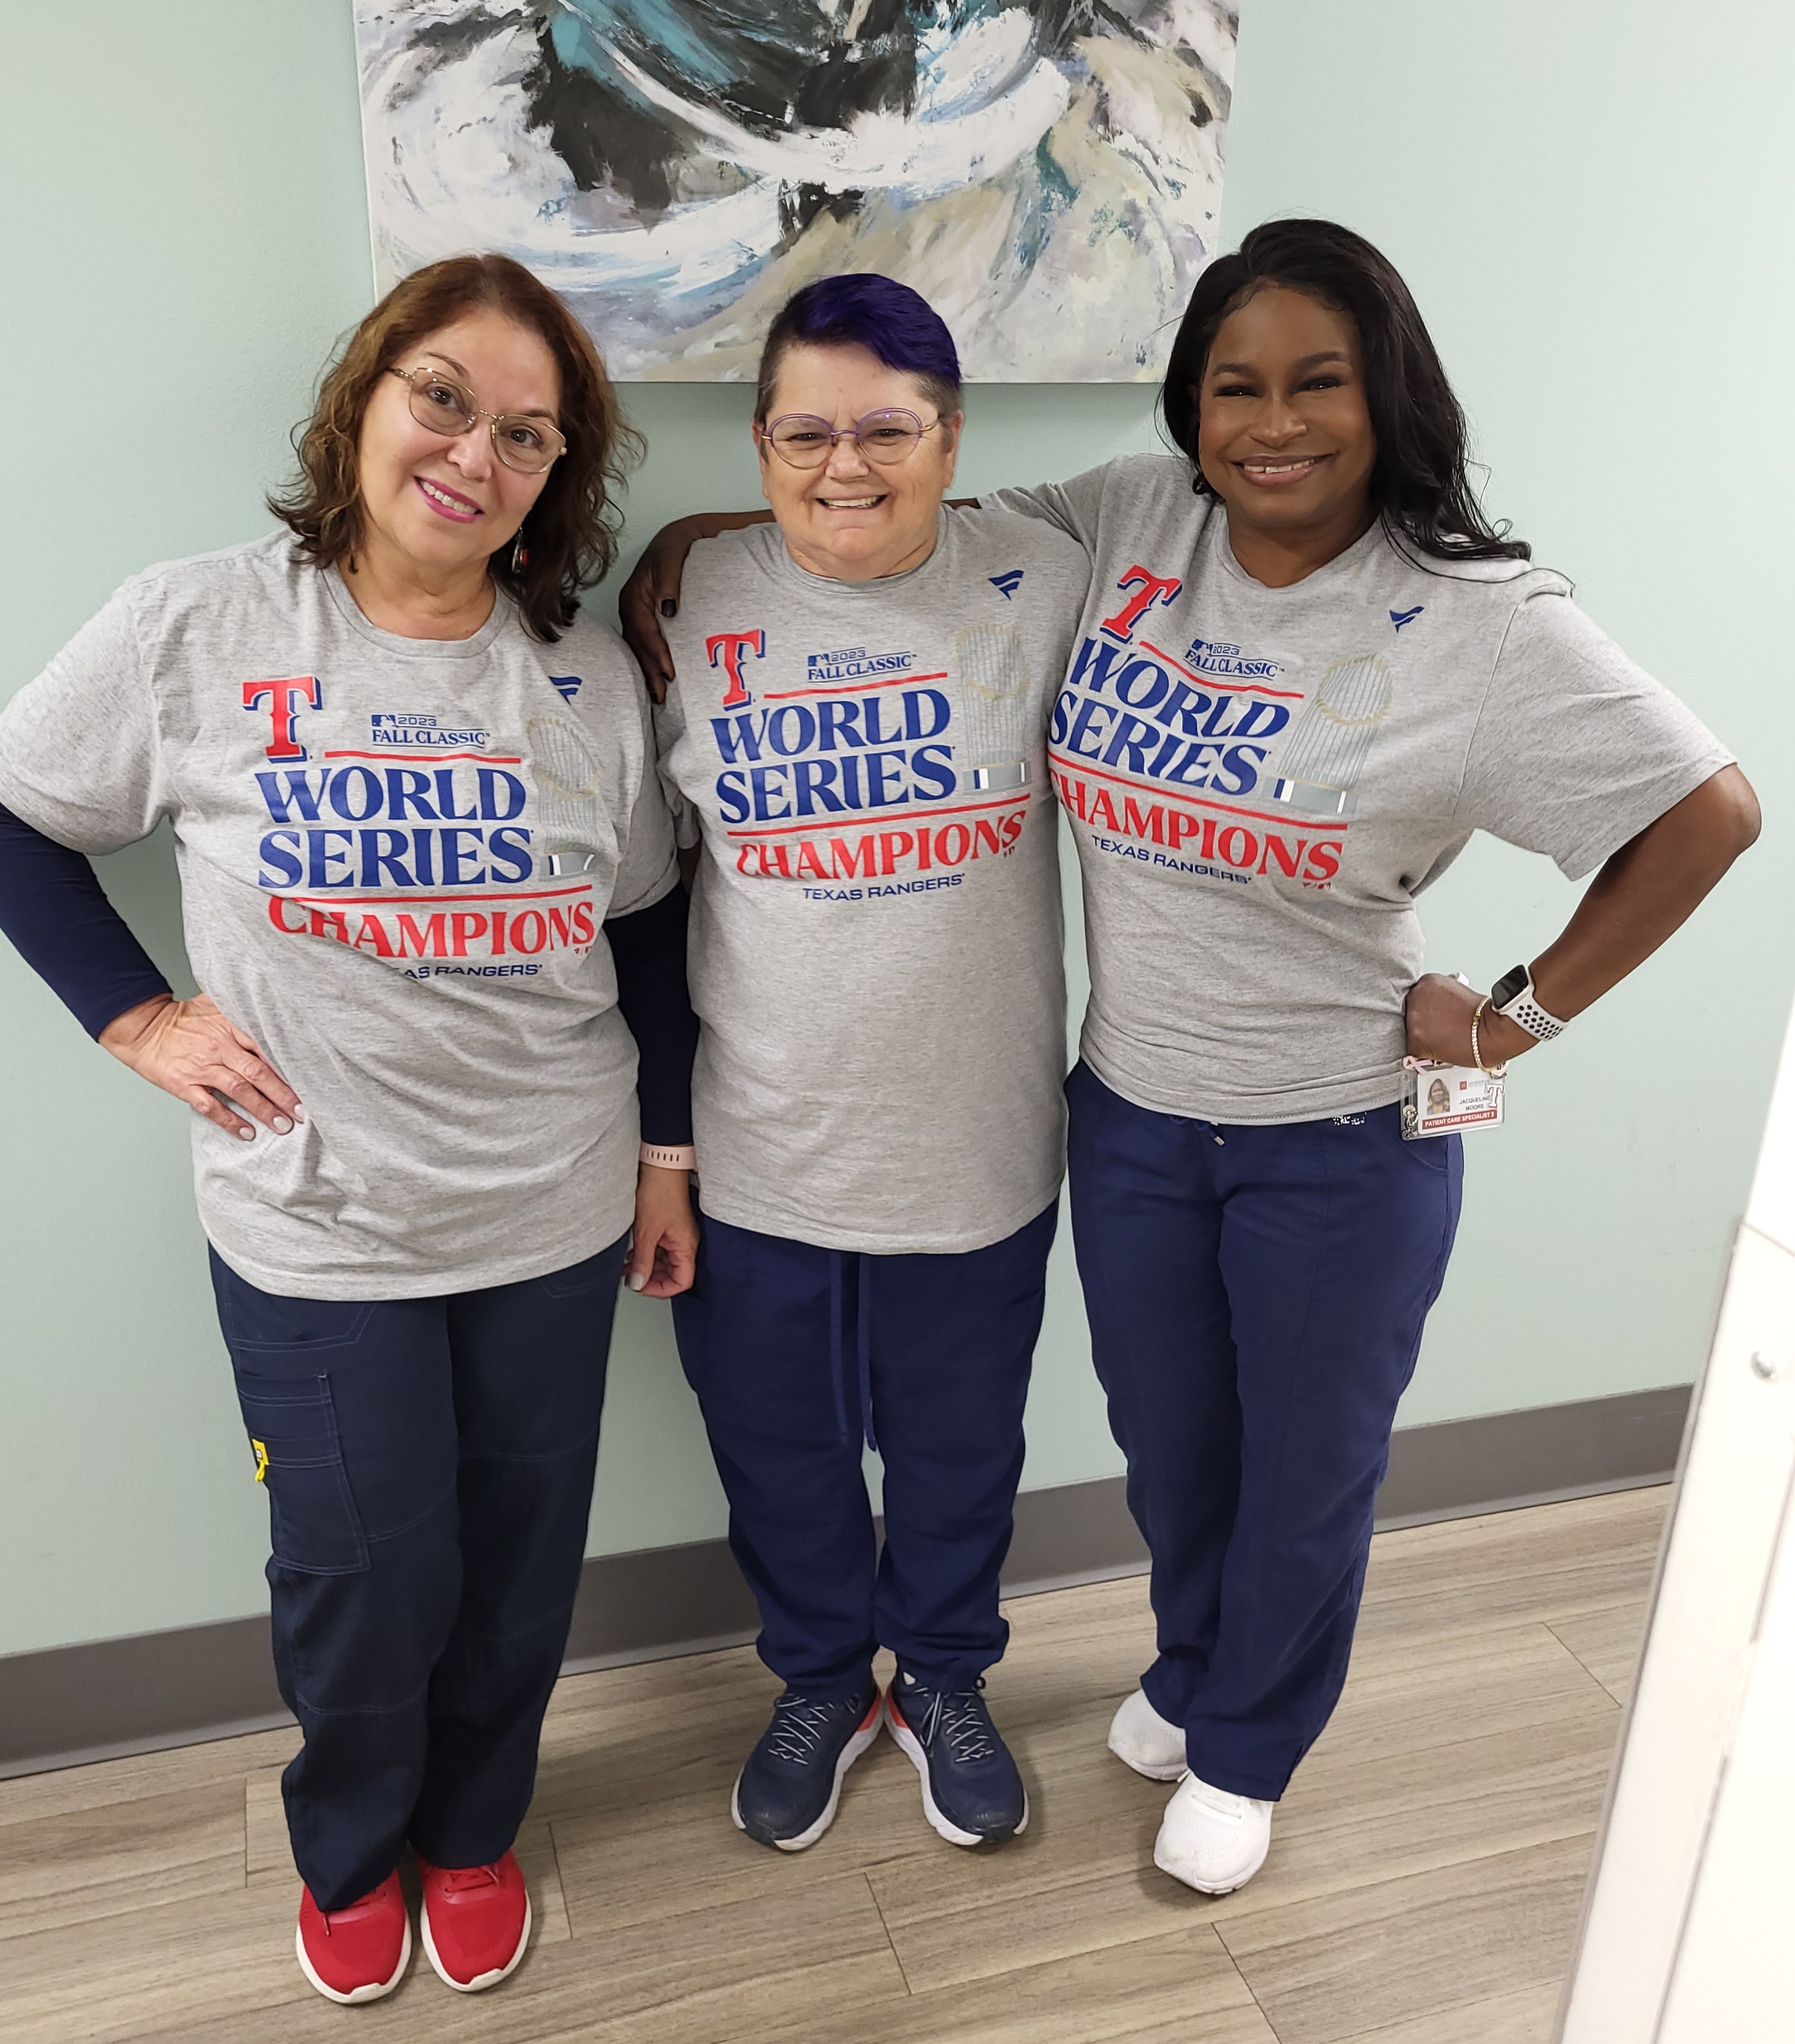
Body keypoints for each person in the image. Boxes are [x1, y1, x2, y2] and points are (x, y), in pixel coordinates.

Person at [620, 221, 1758, 1899]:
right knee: (1171, 1443)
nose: (1270, 421)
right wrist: (709, 533)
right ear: (1188, 409)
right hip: (1133, 1108)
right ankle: (1180, 1667)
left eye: (1315, 382)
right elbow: (879, 512)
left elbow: (1705, 810)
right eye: (1234, 385)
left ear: (1386, 396)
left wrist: (1518, 1009)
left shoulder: (1474, 618)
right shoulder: (1132, 522)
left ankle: (1246, 1743)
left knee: (1304, 1462)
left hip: (1335, 1121)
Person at [0, 254, 700, 2004]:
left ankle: (474, 1827)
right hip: (311, 1218)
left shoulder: (583, 681)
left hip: (549, 1205)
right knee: (361, 1569)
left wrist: (666, 1151)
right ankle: (348, 1839)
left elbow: (640, 932)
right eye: (444, 397)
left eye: (529, 435)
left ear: (559, 478)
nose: (475, 451)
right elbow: (17, 813)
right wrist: (134, 1011)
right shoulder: (200, 626)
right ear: (365, 401)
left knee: (519, 1559)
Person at [651, 273, 1091, 1852]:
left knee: (966, 1450)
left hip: (974, 1141)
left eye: (888, 429)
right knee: (779, 1451)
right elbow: (641, 893)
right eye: (808, 431)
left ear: (952, 436)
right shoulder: (685, 601)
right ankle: (824, 1678)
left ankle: (950, 1674)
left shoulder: (1050, 577)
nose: (849, 464)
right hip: (759, 1143)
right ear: (759, 443)